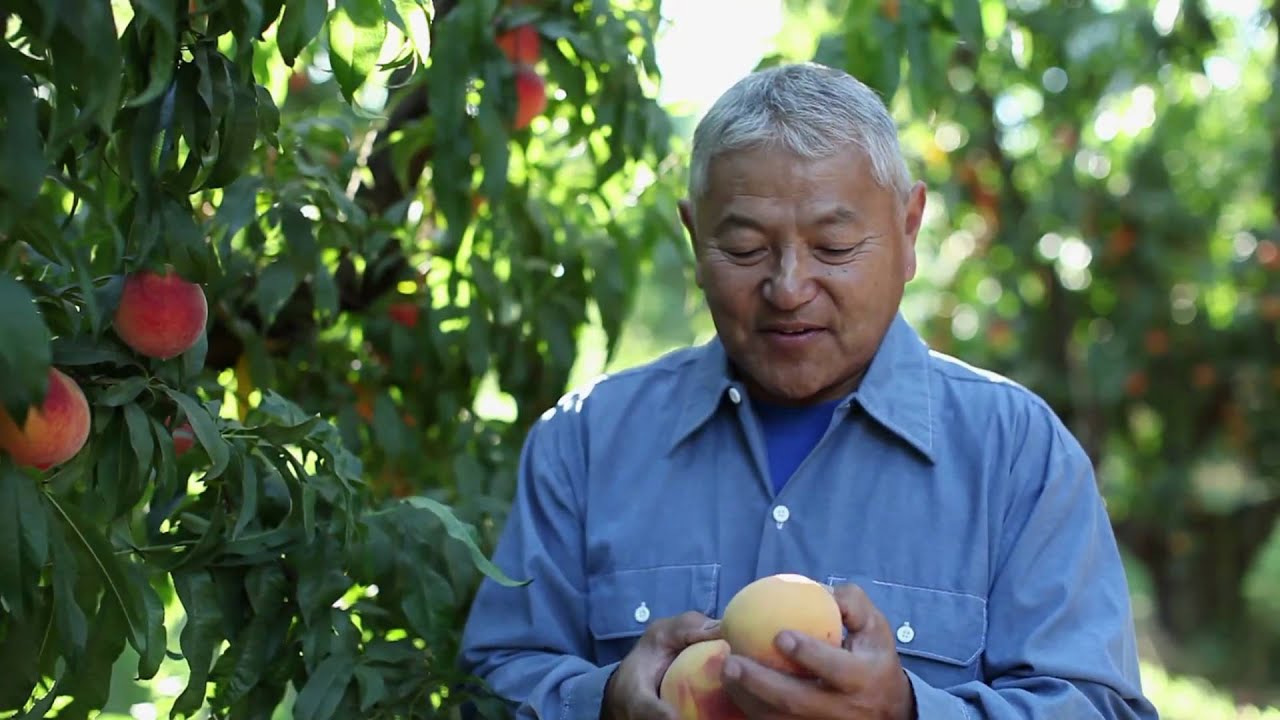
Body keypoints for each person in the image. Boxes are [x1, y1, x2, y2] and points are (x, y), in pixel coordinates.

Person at [458, 62, 1160, 719]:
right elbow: (485, 684)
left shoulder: (1017, 456)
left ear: (909, 229)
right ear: (693, 238)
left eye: (833, 248)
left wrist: (909, 709)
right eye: (744, 249)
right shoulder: (585, 443)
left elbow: (1099, 707)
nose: (788, 289)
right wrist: (604, 699)